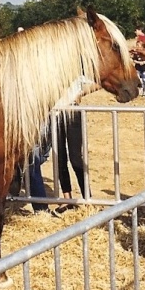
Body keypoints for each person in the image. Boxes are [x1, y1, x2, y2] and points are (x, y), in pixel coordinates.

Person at [52, 77, 95, 216]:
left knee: (75, 157)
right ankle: (67, 199)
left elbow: (98, 82)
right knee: (59, 158)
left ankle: (87, 198)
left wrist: (80, 93)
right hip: (54, 114)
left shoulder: (74, 70)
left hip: (73, 112)